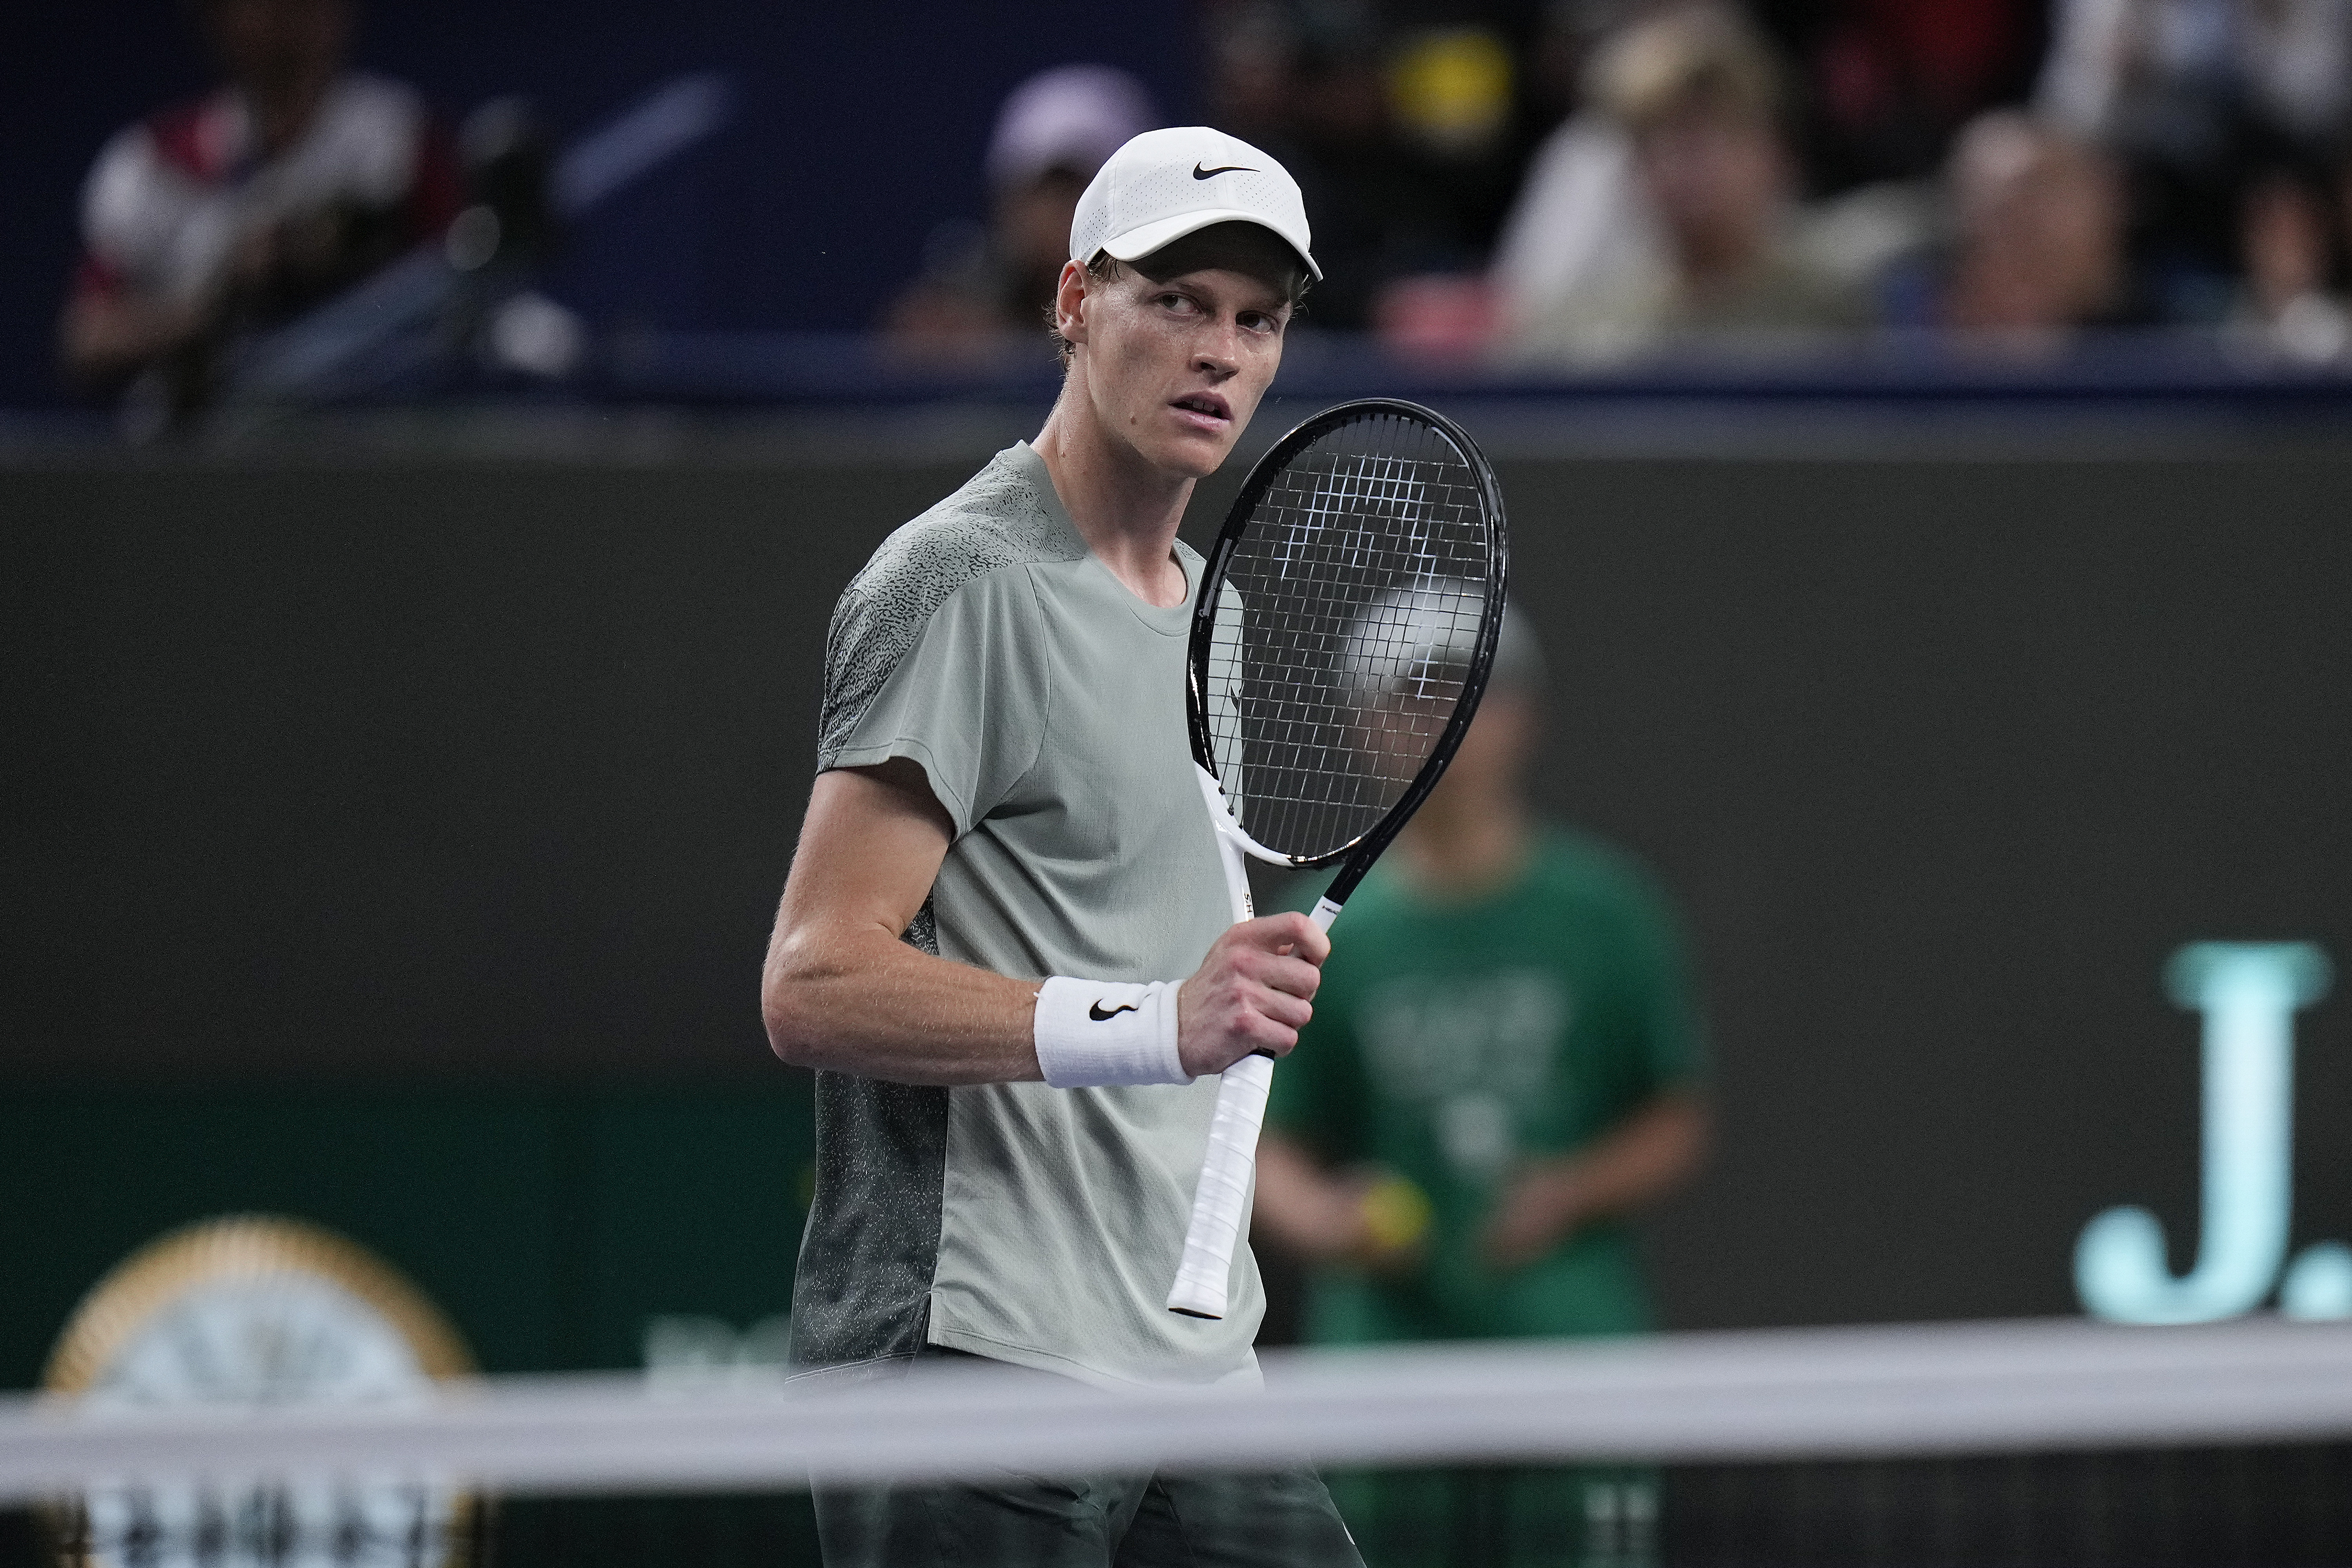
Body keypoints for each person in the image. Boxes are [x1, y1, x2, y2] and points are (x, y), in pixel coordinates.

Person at [763, 127, 1362, 1567]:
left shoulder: (1210, 609)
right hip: (978, 1360)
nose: (1219, 350)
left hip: (1194, 1372)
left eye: (1256, 318)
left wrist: (1209, 1003)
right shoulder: (959, 580)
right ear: (1075, 299)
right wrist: (1156, 1021)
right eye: (1177, 301)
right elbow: (815, 980)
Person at [1251, 606, 1710, 1566]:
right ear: (1360, 723)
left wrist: (1572, 1190)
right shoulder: (1325, 932)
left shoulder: (1605, 911)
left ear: (1523, 718)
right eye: (1410, 699)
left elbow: (1675, 1116)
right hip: (1384, 1378)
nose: (1443, 726)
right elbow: (1264, 1144)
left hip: (1572, 1357)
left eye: (1471, 697)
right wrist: (1331, 1217)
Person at [60, 0, 460, 424]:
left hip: (367, 442)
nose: (295, 18)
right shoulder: (152, 164)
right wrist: (220, 301)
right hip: (199, 455)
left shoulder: (396, 140)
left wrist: (337, 258)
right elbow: (87, 342)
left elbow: (465, 289)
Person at [1495, 4, 1870, 363]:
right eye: (1656, 146)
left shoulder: (1835, 310)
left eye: (1706, 139)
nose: (1682, 168)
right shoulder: (1585, 324)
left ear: (1772, 154)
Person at [885, 65, 1156, 362]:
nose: (1064, 212)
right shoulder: (945, 323)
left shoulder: (1179, 316)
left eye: (1087, 189)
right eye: (1045, 191)